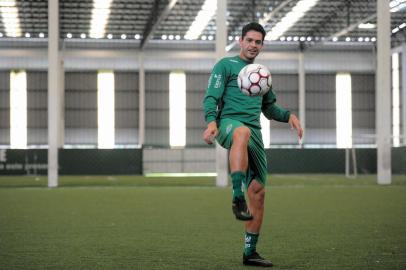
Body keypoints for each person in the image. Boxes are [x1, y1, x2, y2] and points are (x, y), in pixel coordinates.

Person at [202, 22, 303, 267]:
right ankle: (237, 195)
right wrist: (211, 122)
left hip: (255, 134)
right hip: (229, 124)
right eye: (249, 40)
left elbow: (269, 108)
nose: (253, 45)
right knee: (242, 132)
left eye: (258, 42)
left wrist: (289, 115)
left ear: (262, 45)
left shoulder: (262, 73)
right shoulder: (225, 66)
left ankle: (250, 252)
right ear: (241, 41)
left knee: (258, 193)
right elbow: (211, 97)